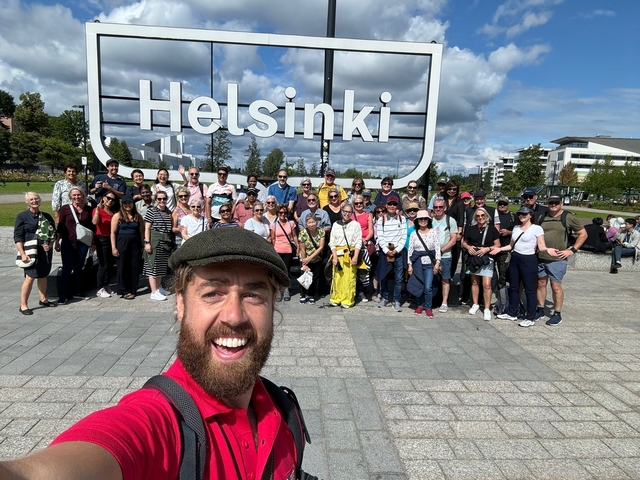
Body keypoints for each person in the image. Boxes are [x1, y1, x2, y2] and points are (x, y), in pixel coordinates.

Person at [0, 227, 308, 480]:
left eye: (253, 294)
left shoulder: (281, 409)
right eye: (213, 293)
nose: (234, 315)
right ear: (181, 304)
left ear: (272, 308)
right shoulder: (157, 420)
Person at [493, 207, 555, 327]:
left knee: (529, 289)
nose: (522, 216)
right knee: (514, 287)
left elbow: (541, 246)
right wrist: (499, 249)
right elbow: (511, 246)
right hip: (515, 258)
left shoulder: (537, 228)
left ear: (530, 215)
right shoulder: (516, 228)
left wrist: (548, 250)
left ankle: (530, 317)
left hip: (529, 259)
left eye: (524, 214)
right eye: (520, 214)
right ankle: (512, 312)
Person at [536, 195, 587, 326]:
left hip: (557, 259)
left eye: (556, 202)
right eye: (551, 202)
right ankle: (540, 308)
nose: (553, 205)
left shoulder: (568, 217)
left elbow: (583, 234)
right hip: (541, 257)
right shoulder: (542, 217)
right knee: (541, 284)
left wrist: (571, 250)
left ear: (561, 203)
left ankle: (557, 313)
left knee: (556, 286)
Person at [14, 192, 57, 314]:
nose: (34, 201)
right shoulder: (22, 216)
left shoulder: (47, 216)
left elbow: (53, 234)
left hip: (44, 251)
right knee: (30, 276)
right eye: (31, 199)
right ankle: (23, 305)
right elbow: (18, 237)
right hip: (30, 250)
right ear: (27, 202)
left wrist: (50, 245)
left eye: (36, 198)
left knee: (43, 275)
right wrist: (22, 253)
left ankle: (43, 299)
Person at [54, 187, 95, 304]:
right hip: (68, 241)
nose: (77, 197)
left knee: (79, 268)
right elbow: (60, 226)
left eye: (79, 195)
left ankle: (78, 291)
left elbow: (91, 227)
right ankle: (63, 295)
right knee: (67, 268)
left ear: (83, 196)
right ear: (70, 196)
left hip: (83, 243)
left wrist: (92, 242)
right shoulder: (65, 209)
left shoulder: (88, 209)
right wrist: (57, 241)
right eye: (74, 195)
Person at [461, 207, 500, 321]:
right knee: (474, 281)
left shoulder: (492, 229)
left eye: (482, 215)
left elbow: (497, 245)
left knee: (487, 284)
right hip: (474, 258)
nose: (480, 218)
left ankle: (487, 308)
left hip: (486, 258)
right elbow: (464, 242)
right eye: (478, 216)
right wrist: (468, 247)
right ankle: (475, 304)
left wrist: (487, 249)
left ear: (486, 216)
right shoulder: (470, 229)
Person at [375, 193, 407, 312]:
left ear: (397, 205)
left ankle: (396, 300)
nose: (392, 206)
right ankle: (384, 297)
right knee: (384, 276)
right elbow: (380, 236)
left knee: (399, 277)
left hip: (398, 252)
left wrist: (396, 250)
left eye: (394, 204)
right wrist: (386, 250)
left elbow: (403, 236)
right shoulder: (381, 219)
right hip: (385, 251)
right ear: (386, 205)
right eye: (390, 204)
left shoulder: (401, 219)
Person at [407, 210, 441, 317]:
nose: (423, 221)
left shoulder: (433, 232)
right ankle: (420, 305)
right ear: (417, 221)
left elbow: (437, 248)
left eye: (425, 219)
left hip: (429, 263)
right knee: (418, 285)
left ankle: (428, 307)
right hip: (417, 262)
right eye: (420, 219)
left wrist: (437, 263)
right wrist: (409, 264)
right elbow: (410, 250)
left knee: (428, 286)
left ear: (428, 220)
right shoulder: (414, 234)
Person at [328, 204, 362, 308]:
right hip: (338, 254)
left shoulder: (355, 224)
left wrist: (356, 256)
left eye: (349, 212)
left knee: (349, 278)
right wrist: (334, 256)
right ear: (341, 211)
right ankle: (336, 298)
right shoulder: (335, 224)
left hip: (350, 254)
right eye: (345, 211)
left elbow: (358, 241)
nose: (346, 214)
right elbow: (332, 242)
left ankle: (347, 299)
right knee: (337, 277)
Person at [110, 195, 143, 299]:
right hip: (122, 242)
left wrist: (143, 245)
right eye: (125, 203)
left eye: (129, 203)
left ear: (133, 204)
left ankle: (133, 288)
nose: (128, 205)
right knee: (122, 266)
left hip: (135, 243)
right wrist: (113, 247)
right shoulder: (117, 216)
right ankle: (124, 290)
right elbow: (113, 232)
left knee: (134, 266)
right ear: (122, 205)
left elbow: (141, 232)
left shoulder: (138, 216)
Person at [143, 191, 174, 301]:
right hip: (154, 240)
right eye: (159, 199)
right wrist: (147, 242)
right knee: (153, 266)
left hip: (164, 241)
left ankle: (159, 287)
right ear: (156, 200)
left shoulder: (168, 212)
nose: (162, 201)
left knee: (161, 266)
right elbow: (147, 228)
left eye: (164, 199)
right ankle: (153, 291)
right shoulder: (151, 210)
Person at [431, 198, 458, 313]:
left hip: (445, 255)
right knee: (431, 278)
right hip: (431, 255)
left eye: (440, 207)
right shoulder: (430, 220)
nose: (438, 209)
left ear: (445, 208)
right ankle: (431, 300)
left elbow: (453, 240)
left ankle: (444, 302)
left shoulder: (450, 221)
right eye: (436, 207)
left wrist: (441, 250)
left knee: (445, 279)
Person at [92, 191, 120, 298]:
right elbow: (95, 222)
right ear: (103, 198)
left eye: (113, 199)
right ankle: (99, 288)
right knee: (103, 264)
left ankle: (106, 284)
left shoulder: (114, 212)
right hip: (101, 238)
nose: (110, 201)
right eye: (108, 198)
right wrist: (98, 211)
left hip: (112, 238)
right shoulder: (97, 210)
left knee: (110, 263)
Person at [270, 203, 297, 302]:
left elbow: (294, 236)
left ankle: (286, 289)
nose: (283, 214)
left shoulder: (291, 223)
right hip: (277, 250)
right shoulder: (274, 225)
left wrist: (297, 247)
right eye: (281, 212)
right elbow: (273, 238)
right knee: (278, 271)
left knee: (286, 271)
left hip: (288, 250)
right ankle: (277, 289)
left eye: (285, 212)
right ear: (277, 213)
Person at [298, 215, 325, 305]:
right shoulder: (303, 233)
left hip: (316, 258)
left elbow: (321, 247)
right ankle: (303, 294)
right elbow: (302, 249)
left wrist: (311, 257)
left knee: (314, 278)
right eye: (309, 222)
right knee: (305, 277)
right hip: (305, 257)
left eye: (313, 222)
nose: (311, 224)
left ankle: (310, 295)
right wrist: (304, 263)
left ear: (316, 222)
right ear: (306, 224)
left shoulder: (321, 231)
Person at [494, 196, 516, 306]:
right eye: (500, 204)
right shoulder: (494, 215)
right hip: (492, 247)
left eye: (504, 204)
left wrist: (508, 232)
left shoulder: (513, 216)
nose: (502, 206)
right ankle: (493, 289)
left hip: (505, 249)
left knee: (503, 272)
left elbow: (519, 231)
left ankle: (501, 293)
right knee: (491, 272)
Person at [352, 194, 374, 302]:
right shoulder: (350, 215)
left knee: (364, 268)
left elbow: (371, 231)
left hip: (365, 243)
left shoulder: (368, 215)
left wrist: (365, 240)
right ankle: (354, 289)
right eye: (356, 203)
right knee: (354, 268)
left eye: (360, 203)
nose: (359, 205)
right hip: (353, 244)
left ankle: (362, 291)